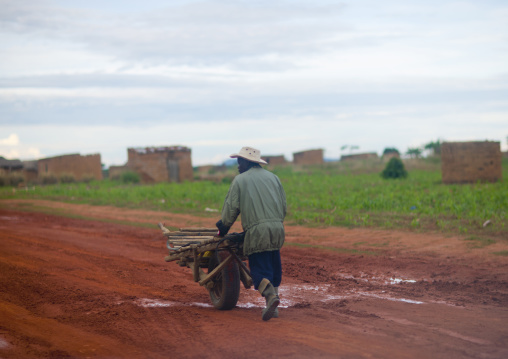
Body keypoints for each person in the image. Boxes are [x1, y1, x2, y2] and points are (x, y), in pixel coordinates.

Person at [216, 146, 287, 321]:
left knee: (259, 271)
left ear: (248, 162)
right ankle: (274, 307)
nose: (238, 166)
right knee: (273, 267)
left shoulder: (240, 180)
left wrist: (222, 228)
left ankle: (270, 297)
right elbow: (283, 206)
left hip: (257, 232)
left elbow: (231, 209)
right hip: (277, 229)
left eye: (240, 161)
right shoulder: (274, 178)